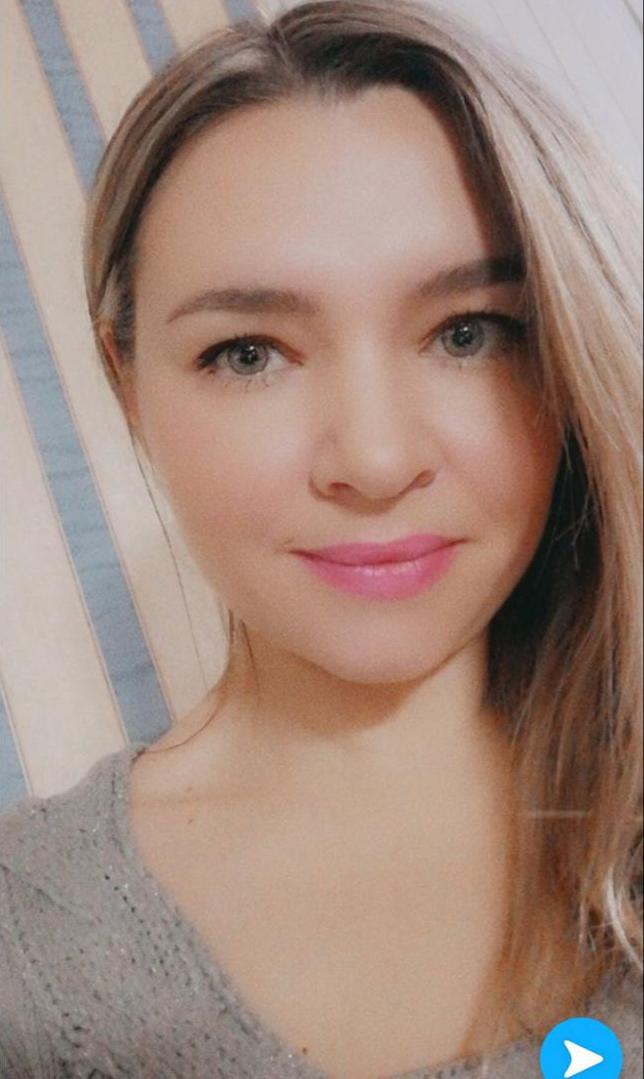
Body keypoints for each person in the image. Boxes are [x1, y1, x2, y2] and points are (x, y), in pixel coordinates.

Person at [1, 1, 641, 1076]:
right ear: (129, 387)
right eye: (249, 352)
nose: (376, 460)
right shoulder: (26, 948)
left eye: (469, 333)